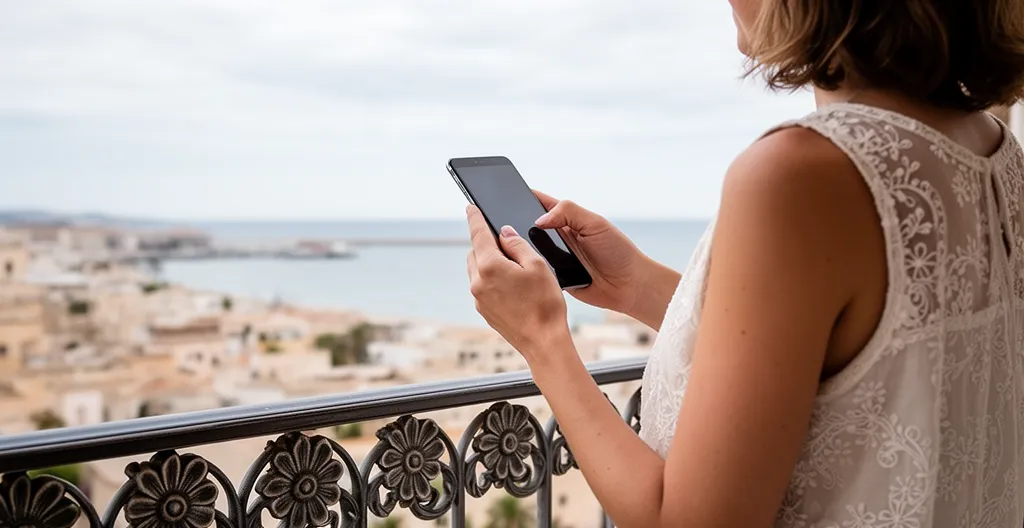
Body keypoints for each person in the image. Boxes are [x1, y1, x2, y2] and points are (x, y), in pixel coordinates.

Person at [464, 0, 1024, 526]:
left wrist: (542, 338)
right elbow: (851, 348)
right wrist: (636, 287)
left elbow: (682, 519)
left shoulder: (800, 175)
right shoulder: (994, 148)